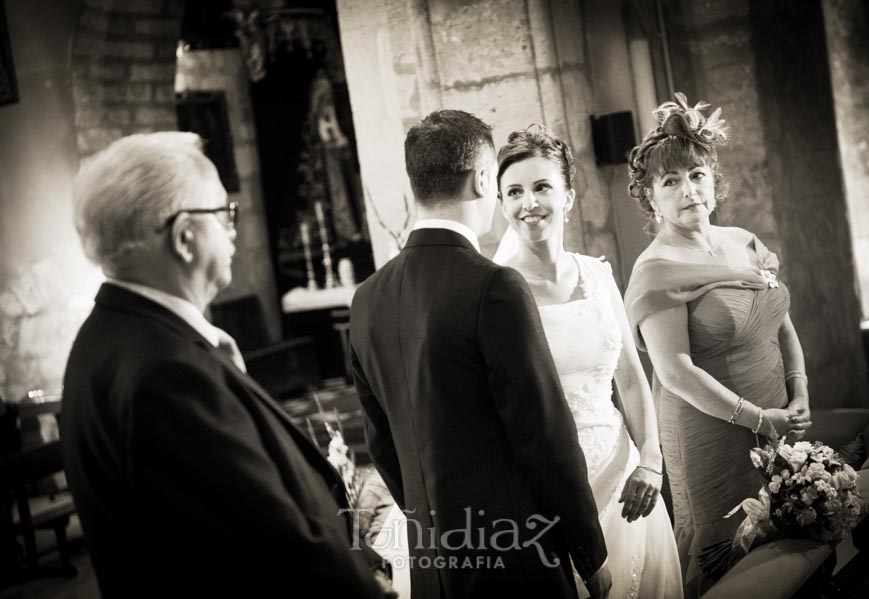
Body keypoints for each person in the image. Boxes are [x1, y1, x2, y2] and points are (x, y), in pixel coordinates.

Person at [61, 132, 393, 598]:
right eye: (223, 212)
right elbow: (274, 552)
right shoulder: (165, 375)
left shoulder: (112, 337)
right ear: (184, 237)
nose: (233, 228)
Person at [349, 110, 612, 599]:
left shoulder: (366, 299)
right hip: (516, 561)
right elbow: (545, 437)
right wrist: (589, 554)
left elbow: (380, 443)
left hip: (434, 565)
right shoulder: (494, 286)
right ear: (484, 179)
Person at [622, 94, 811, 597]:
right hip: (710, 429)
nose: (688, 190)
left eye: (697, 175)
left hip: (776, 415)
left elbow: (782, 325)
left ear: (713, 180)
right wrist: (756, 418)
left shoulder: (745, 241)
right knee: (726, 559)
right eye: (671, 181)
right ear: (650, 197)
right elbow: (676, 373)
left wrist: (799, 393)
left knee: (790, 545)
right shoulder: (656, 270)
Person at [492, 124, 683, 599]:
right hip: (555, 497)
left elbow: (633, 380)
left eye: (541, 187)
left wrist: (651, 461)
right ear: (500, 204)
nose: (528, 202)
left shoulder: (597, 276)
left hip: (627, 480)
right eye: (514, 191)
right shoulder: (495, 293)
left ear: (569, 196)